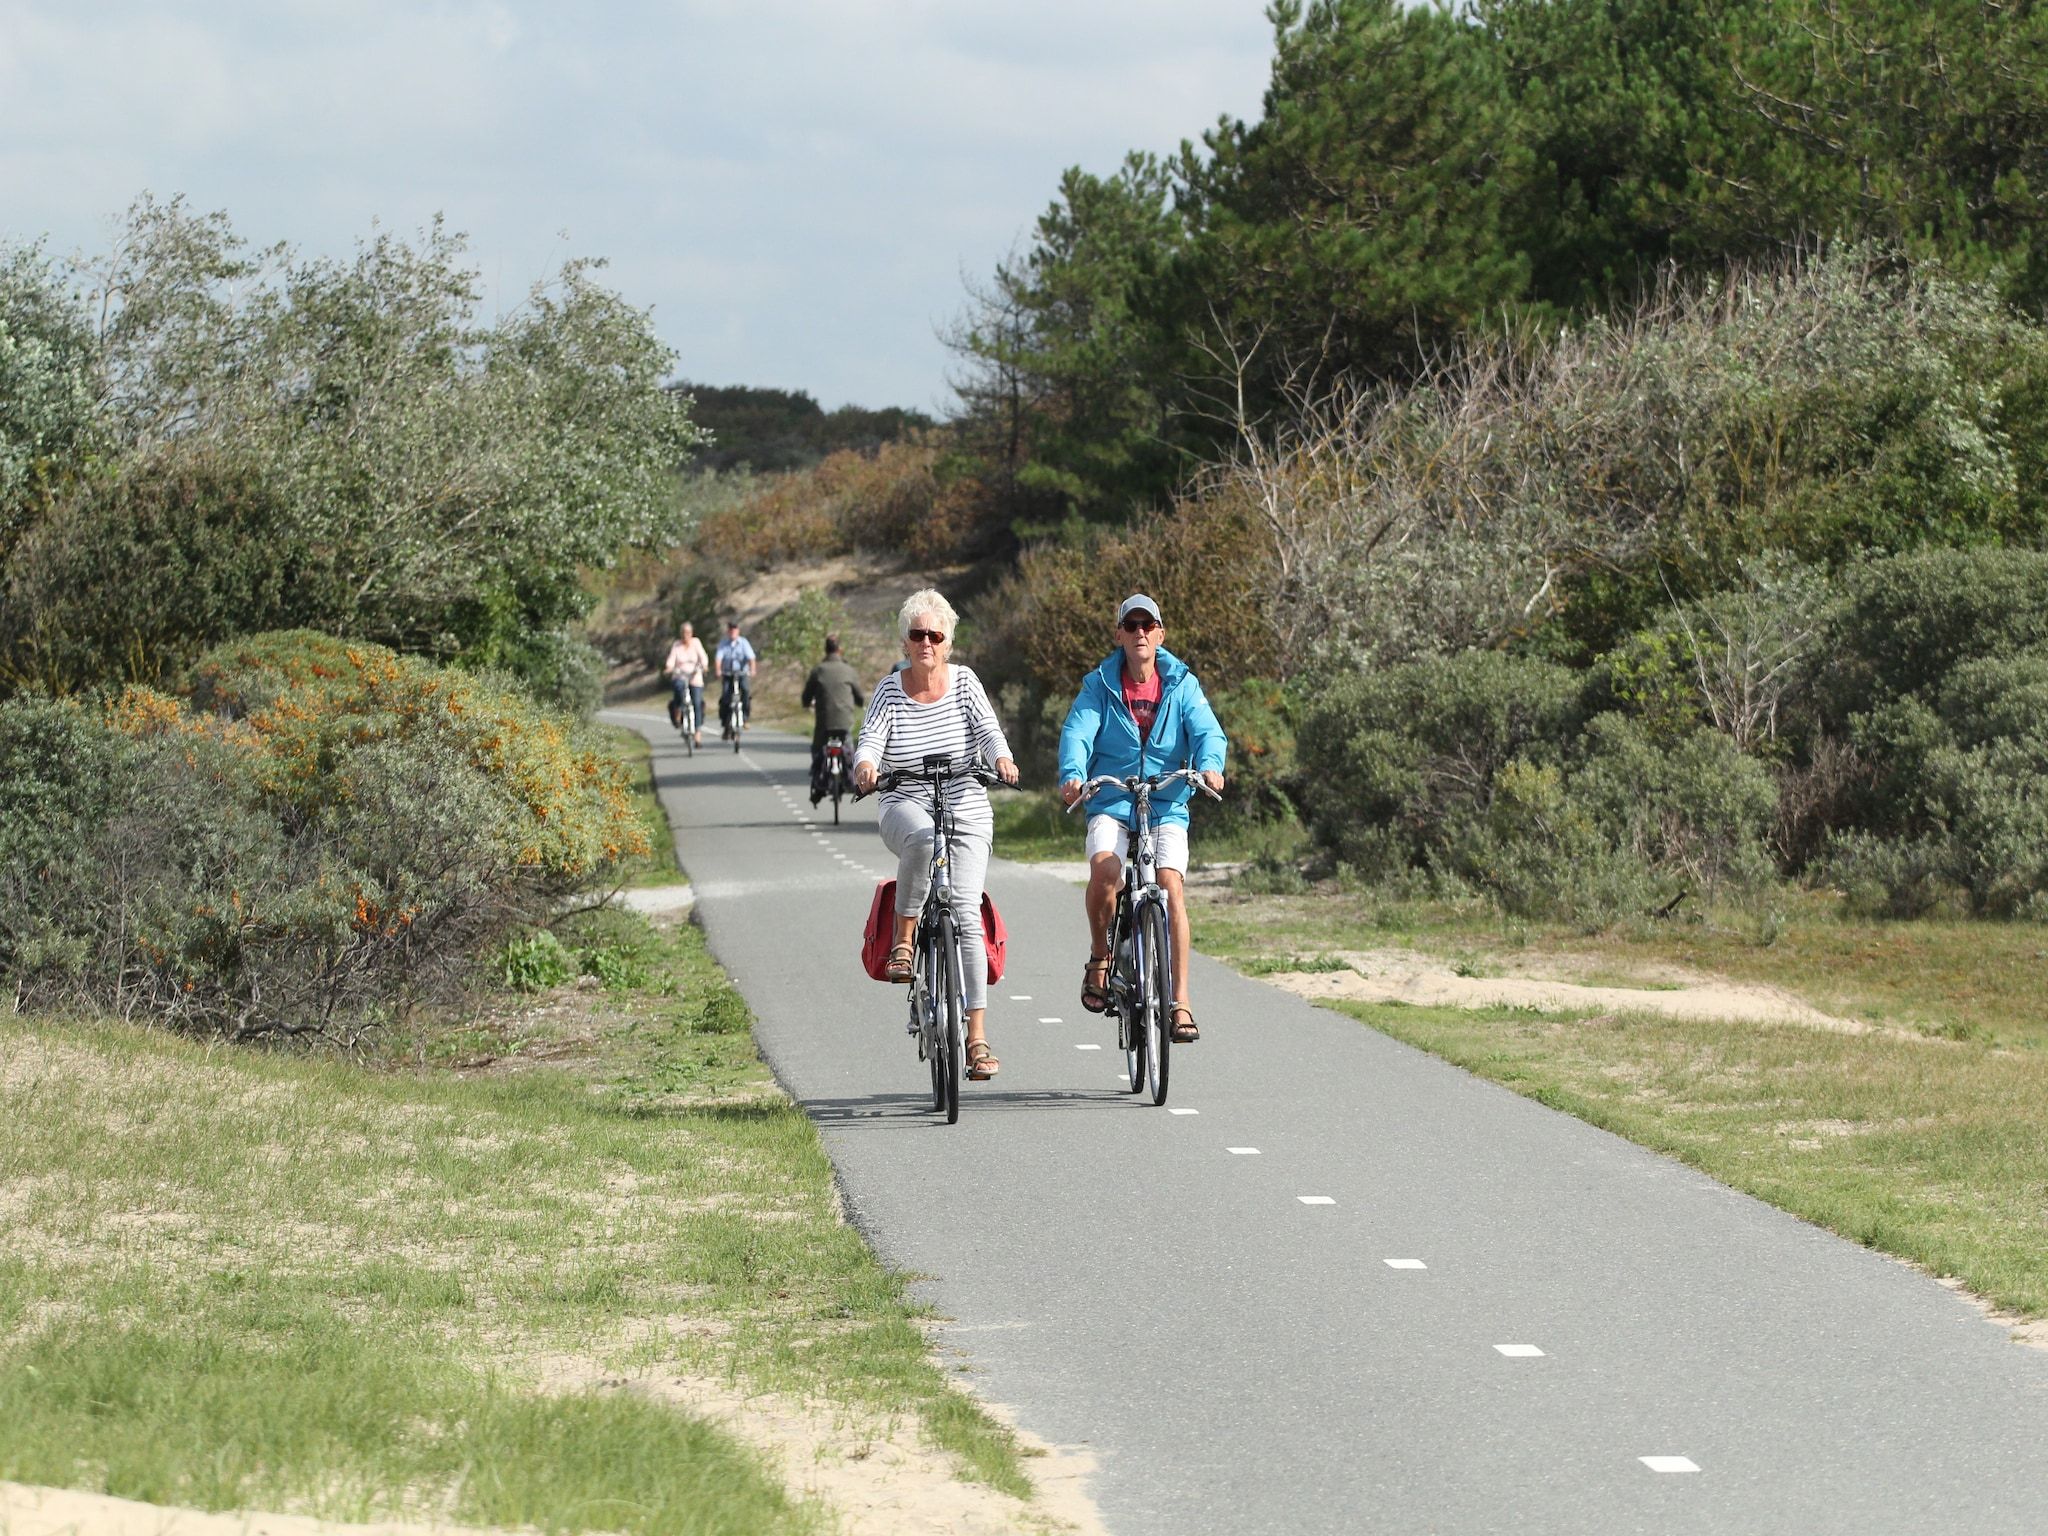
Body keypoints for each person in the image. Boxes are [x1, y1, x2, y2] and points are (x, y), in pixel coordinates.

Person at [853, 590, 1019, 1080]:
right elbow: (871, 741)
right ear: (905, 642)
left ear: (948, 643)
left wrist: (1002, 760)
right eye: (917, 635)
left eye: (935, 635)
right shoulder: (889, 691)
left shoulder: (966, 683)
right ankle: (904, 942)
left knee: (966, 913)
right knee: (923, 840)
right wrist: (865, 766)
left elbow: (989, 733)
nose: (926, 643)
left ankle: (977, 1038)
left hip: (965, 802)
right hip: (904, 801)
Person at [1058, 593, 1226, 1042]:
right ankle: (1100, 957)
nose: (1139, 634)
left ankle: (1181, 1002)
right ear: (1119, 635)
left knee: (1170, 886)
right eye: (1131, 626)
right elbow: (1078, 730)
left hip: (1167, 800)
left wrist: (1211, 765)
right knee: (1105, 870)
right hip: (1112, 799)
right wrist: (1074, 775)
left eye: (1147, 626)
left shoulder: (1182, 684)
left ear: (1160, 634)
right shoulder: (1100, 684)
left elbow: (1208, 730)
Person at [800, 635, 865, 803]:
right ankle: (852, 780)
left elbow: (806, 696)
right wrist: (858, 702)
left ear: (825, 650)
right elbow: (860, 697)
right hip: (845, 722)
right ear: (839, 650)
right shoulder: (848, 670)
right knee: (849, 746)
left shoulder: (818, 670)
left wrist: (807, 702)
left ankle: (818, 783)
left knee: (817, 749)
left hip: (824, 723)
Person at [662, 621, 709, 746]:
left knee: (697, 703)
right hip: (680, 676)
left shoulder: (696, 643)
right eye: (683, 633)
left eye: (688, 632)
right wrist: (669, 668)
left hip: (695, 676)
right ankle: (677, 713)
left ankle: (697, 734)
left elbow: (703, 657)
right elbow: (671, 661)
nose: (685, 635)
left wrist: (704, 666)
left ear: (691, 633)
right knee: (678, 689)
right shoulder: (676, 645)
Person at [715, 617, 757, 739]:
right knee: (725, 698)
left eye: (735, 629)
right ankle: (725, 723)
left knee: (746, 691)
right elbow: (718, 658)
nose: (733, 632)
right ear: (728, 631)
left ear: (738, 631)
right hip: (728, 674)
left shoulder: (744, 643)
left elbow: (751, 658)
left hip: (741, 674)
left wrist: (752, 669)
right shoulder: (723, 644)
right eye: (730, 629)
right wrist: (718, 670)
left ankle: (745, 718)